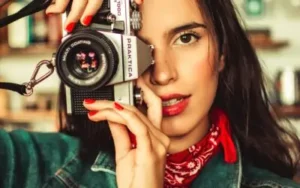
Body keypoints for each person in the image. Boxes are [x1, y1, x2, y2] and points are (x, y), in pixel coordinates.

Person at [1, 0, 300, 187]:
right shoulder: (37, 165)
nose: (162, 73)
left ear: (223, 52)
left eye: (186, 38)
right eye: (134, 49)